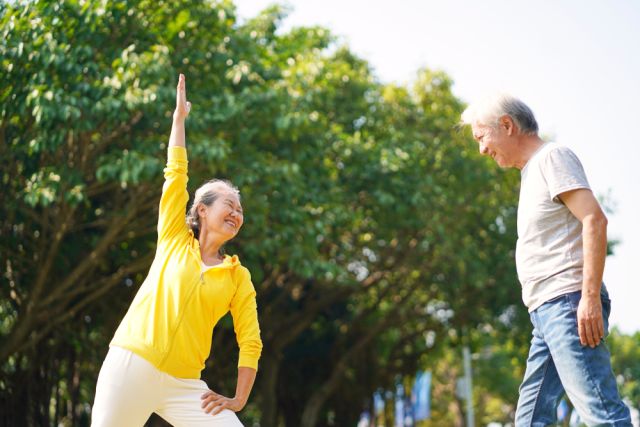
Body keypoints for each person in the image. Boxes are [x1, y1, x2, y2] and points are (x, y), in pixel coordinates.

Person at [91, 74, 262, 426]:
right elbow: (176, 175)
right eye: (229, 204)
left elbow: (250, 340)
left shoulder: (237, 276)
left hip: (184, 385)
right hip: (131, 364)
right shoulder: (173, 237)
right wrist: (178, 121)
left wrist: (239, 399)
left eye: (240, 210)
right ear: (202, 209)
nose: (236, 213)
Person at [461, 94, 631, 426]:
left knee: (601, 413)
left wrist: (590, 298)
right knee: (530, 419)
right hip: (545, 313)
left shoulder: (552, 158)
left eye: (481, 138)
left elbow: (594, 220)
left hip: (568, 304)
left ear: (507, 125)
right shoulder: (531, 173)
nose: (481, 149)